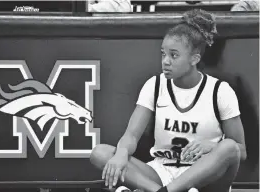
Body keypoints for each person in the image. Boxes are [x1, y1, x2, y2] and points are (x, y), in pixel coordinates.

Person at [90, 9, 247, 192]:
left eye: (174, 55)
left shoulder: (220, 91)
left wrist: (211, 146)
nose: (165, 61)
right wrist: (122, 153)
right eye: (163, 54)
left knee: (229, 147)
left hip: (202, 177)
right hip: (162, 172)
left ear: (194, 58)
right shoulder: (155, 85)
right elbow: (131, 135)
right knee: (100, 153)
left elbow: (240, 151)